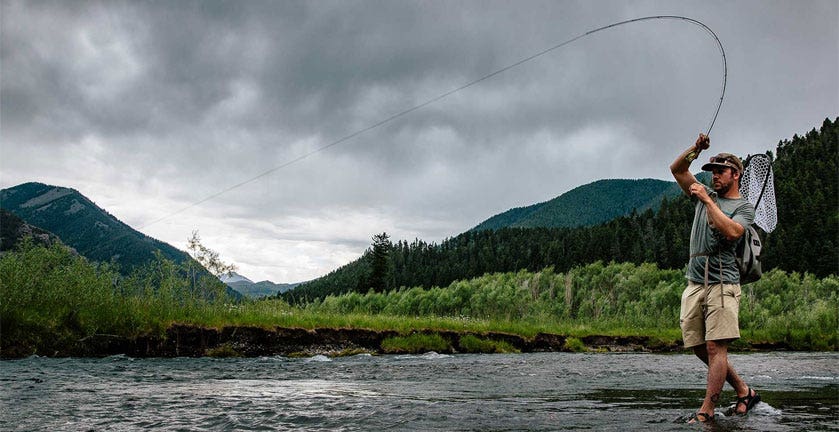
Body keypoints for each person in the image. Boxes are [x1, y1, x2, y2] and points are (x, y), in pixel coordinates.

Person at [669, 133, 762, 423]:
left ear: (736, 175)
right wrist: (696, 149)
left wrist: (708, 201)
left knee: (715, 347)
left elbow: (733, 232)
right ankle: (744, 391)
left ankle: (706, 411)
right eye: (712, 172)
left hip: (723, 283)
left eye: (720, 171)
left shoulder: (744, 207)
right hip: (695, 283)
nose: (714, 177)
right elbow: (677, 170)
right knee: (699, 346)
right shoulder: (702, 193)